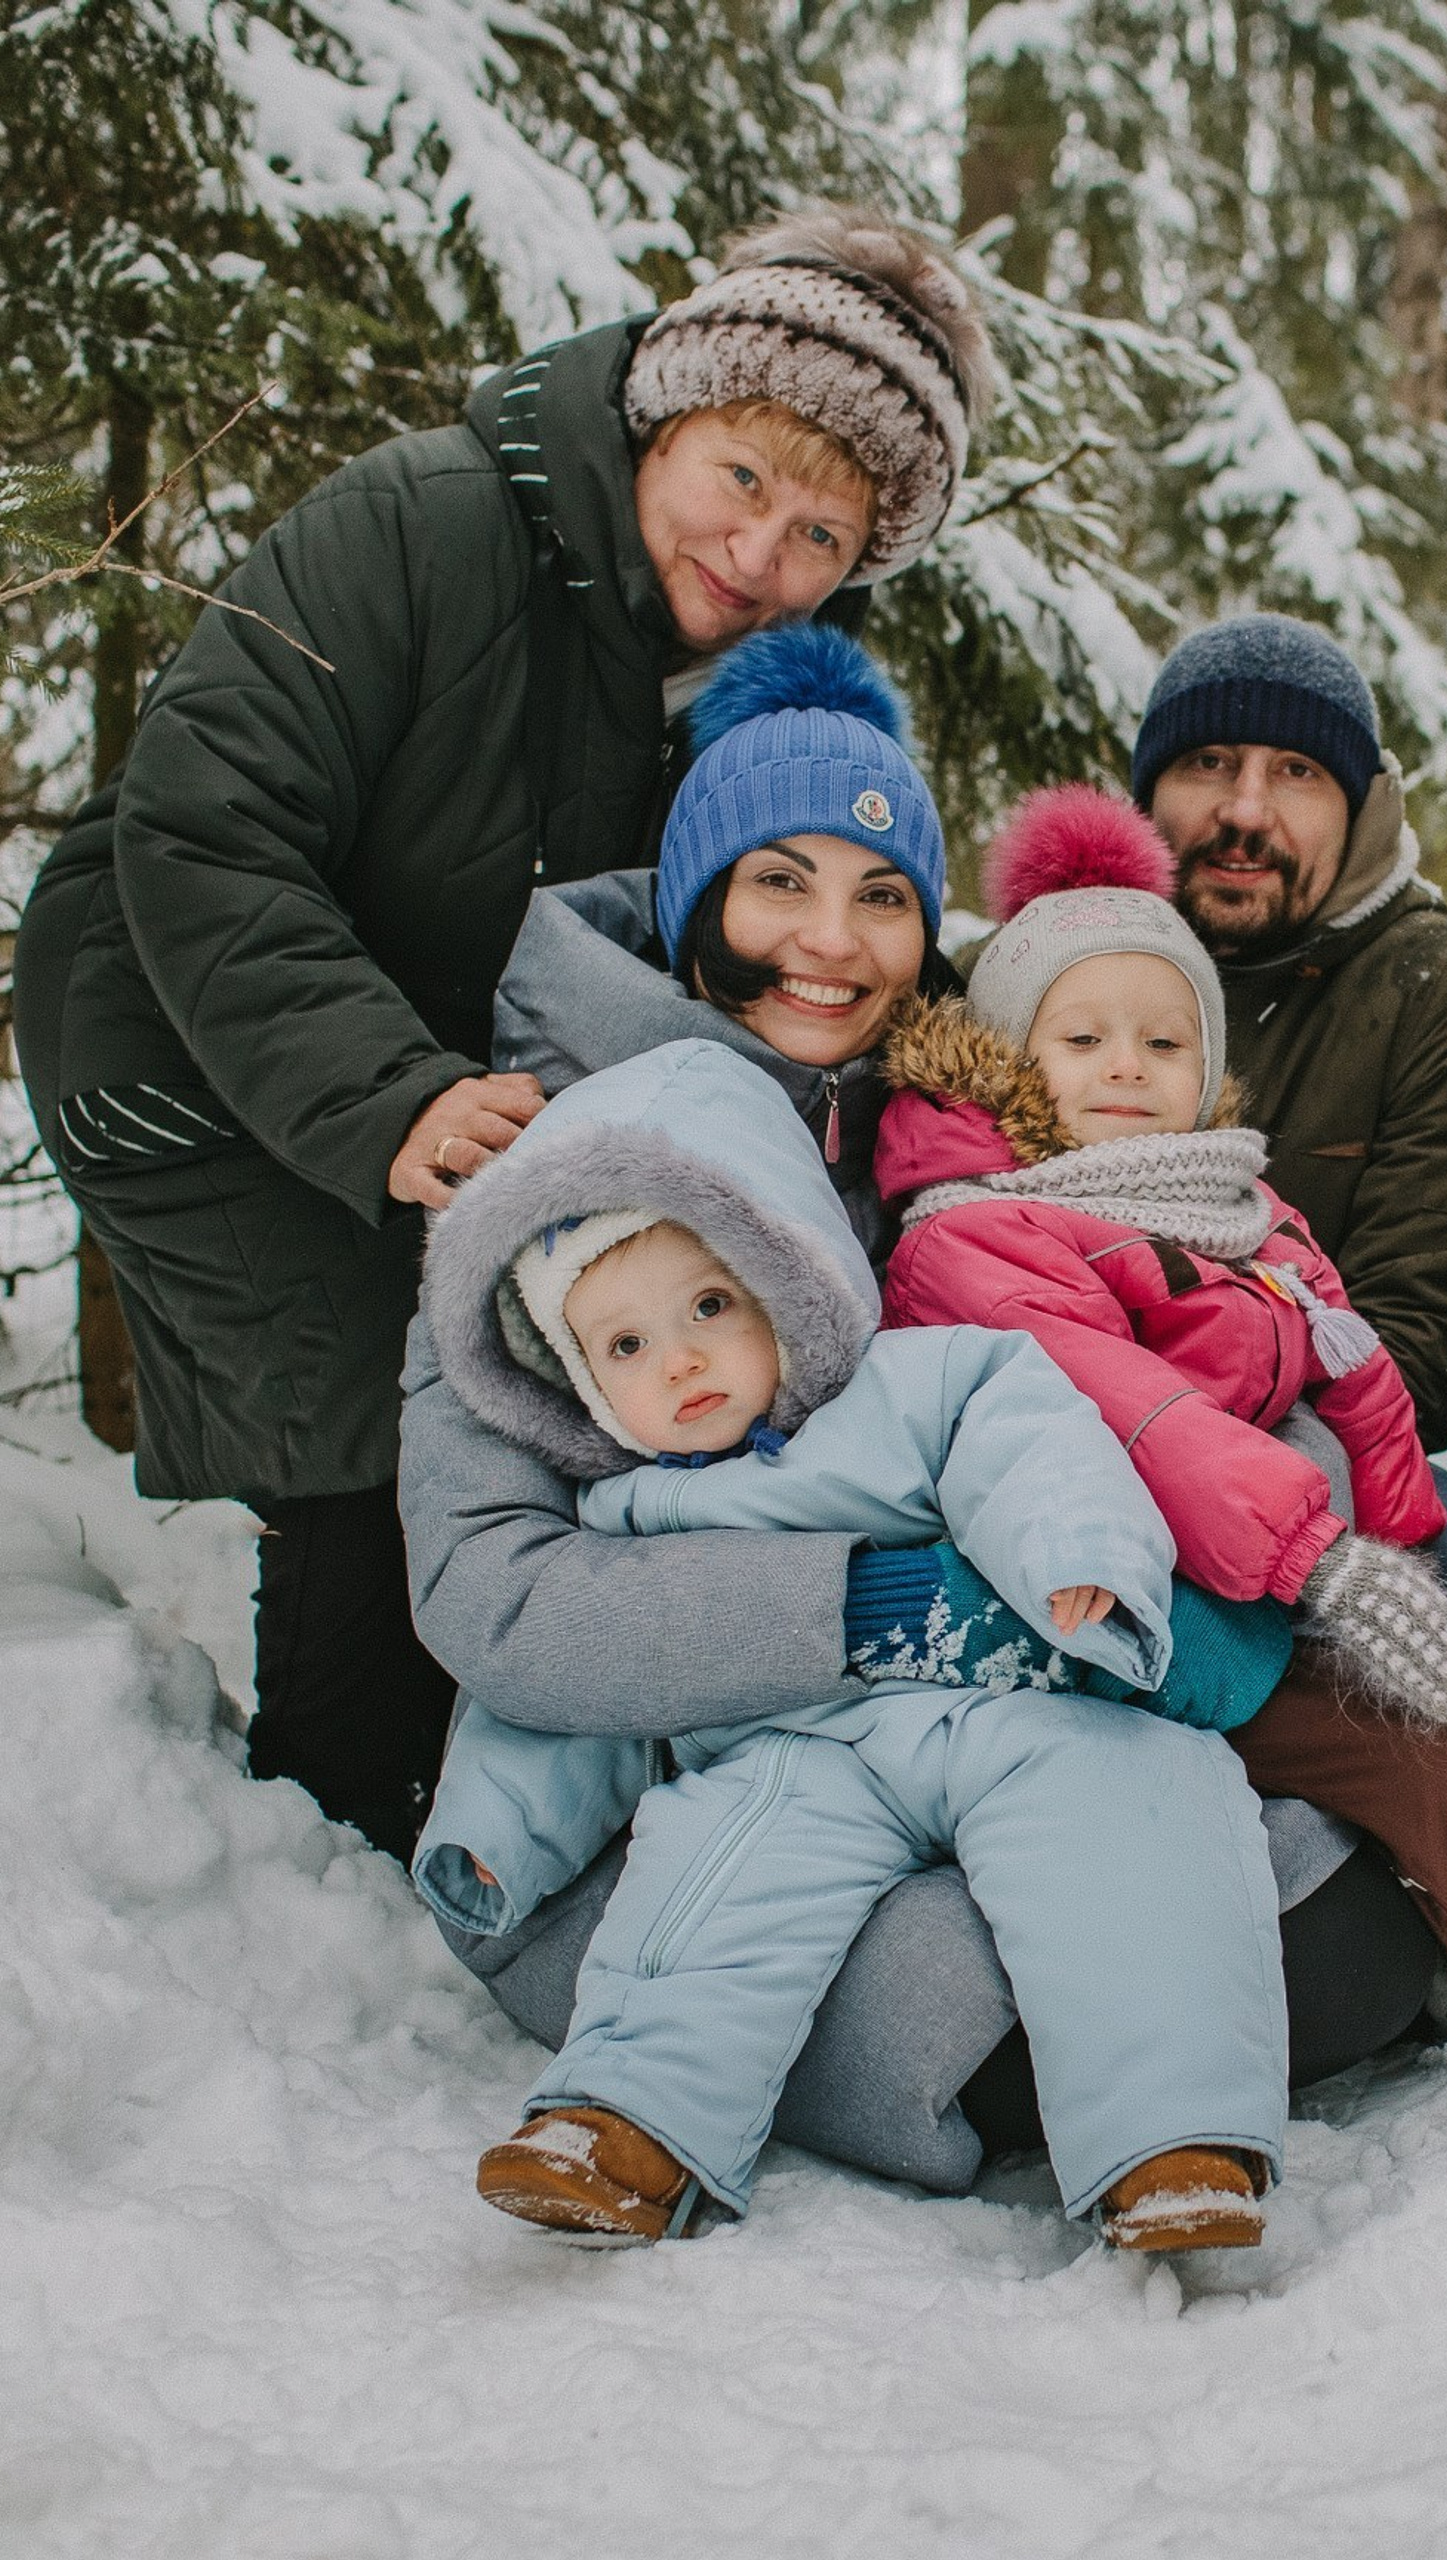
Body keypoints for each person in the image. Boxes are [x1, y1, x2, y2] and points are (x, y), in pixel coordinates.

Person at [399, 624, 1447, 2205]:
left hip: (1036, 1704)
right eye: (779, 883)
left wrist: (1194, 1535)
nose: (833, 943)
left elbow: (1174, 1356)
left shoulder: (958, 1118)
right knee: (891, 1943)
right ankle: (639, 2121)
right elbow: (501, 1607)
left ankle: (1168, 2120)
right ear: (696, 897)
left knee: (1327, 1911)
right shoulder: (561, 1179)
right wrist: (894, 1606)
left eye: (882, 896)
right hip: (717, 1757)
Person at [14, 205, 996, 1856]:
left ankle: (495, 1773)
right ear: (666, 412)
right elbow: (206, 818)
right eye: (742, 481)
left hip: (416, 1052)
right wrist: (387, 1097)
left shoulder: (723, 671)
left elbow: (767, 917)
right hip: (172, 1032)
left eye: (823, 536)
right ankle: (336, 1839)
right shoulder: (426, 522)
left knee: (545, 1352)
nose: (764, 557)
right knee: (374, 1396)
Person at [412, 1036, 1287, 2252]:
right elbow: (568, 1701)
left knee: (1139, 1817)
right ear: (579, 1385)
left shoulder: (915, 1382)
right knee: (707, 1881)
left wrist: (1077, 1557)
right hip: (786, 1751)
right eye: (624, 1347)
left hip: (1008, 1708)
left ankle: (1173, 2139)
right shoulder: (617, 1508)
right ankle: (626, 2125)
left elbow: (1031, 1444)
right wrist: (491, 1837)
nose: (680, 1361)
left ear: (790, 1277)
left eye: (710, 1305)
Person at [873, 784, 1447, 2016]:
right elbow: (1132, 1412)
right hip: (1106, 1604)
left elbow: (1349, 1367)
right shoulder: (979, 1230)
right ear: (1007, 1056)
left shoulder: (1229, 1206)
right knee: (1414, 1749)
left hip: (1253, 1566)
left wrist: (1401, 1544)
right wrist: (1328, 1568)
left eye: (1163, 1042)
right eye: (1081, 1040)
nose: (1127, 1070)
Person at [1127, 616, 1447, 1620]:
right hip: (1059, 1440)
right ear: (1144, 795)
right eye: (1208, 762)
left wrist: (1198, 1441)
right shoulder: (1055, 960)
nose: (1245, 810)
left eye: (1297, 771)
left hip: (1316, 1460)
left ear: (1360, 809)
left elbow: (1423, 1357)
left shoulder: (1427, 980)